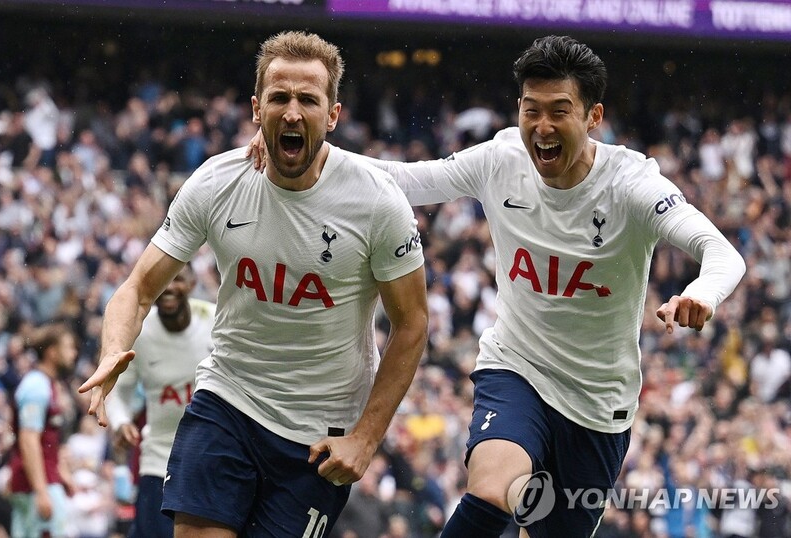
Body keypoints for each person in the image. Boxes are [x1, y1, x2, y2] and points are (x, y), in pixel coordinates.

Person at [248, 34, 747, 538]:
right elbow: (407, 180)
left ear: (593, 117)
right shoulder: (501, 159)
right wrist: (314, 152)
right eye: (531, 110)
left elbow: (722, 253)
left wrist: (702, 294)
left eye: (559, 112)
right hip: (517, 369)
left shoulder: (633, 186)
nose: (543, 128)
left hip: (599, 404)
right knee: (491, 488)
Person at [79, 30, 428, 538]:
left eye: (308, 99)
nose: (291, 112)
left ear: (332, 116)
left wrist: (367, 438)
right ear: (255, 108)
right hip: (228, 399)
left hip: (318, 432)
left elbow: (413, 322)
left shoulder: (376, 202)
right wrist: (113, 347)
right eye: (279, 97)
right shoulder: (218, 183)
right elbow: (138, 286)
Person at [104, 264, 216, 538]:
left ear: (191, 283)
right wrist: (120, 422)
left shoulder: (215, 321)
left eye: (177, 278)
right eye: (164, 278)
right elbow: (118, 391)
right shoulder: (140, 332)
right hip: (158, 459)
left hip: (211, 457)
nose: (169, 286)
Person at [8, 322, 78, 538]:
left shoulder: (46, 383)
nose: (74, 354)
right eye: (69, 347)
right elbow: (29, 440)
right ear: (52, 352)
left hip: (41, 482)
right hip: (36, 487)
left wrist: (62, 473)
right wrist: (41, 491)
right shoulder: (36, 386)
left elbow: (47, 440)